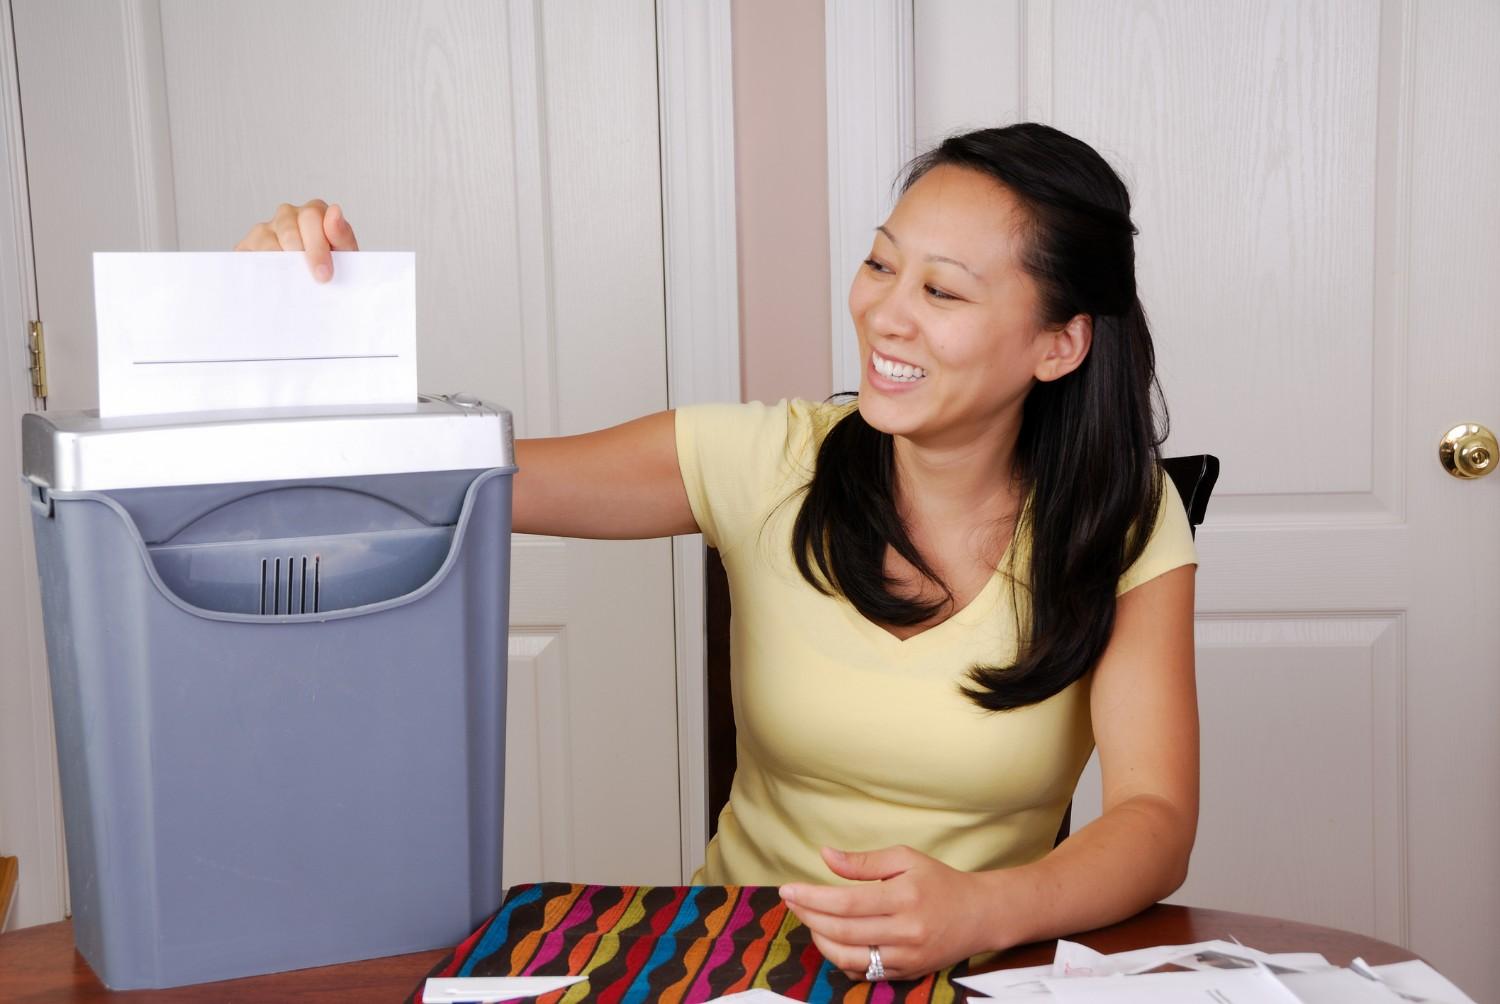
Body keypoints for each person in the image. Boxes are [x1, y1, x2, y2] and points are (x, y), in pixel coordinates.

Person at [237, 123, 1198, 983]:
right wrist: (307, 332)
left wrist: (983, 909)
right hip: (731, 965)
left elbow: (1154, 821)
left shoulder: (1122, 518)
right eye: (879, 265)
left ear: (1060, 345)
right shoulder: (767, 459)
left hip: (989, 971)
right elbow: (446, 483)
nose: (884, 315)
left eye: (941, 289)